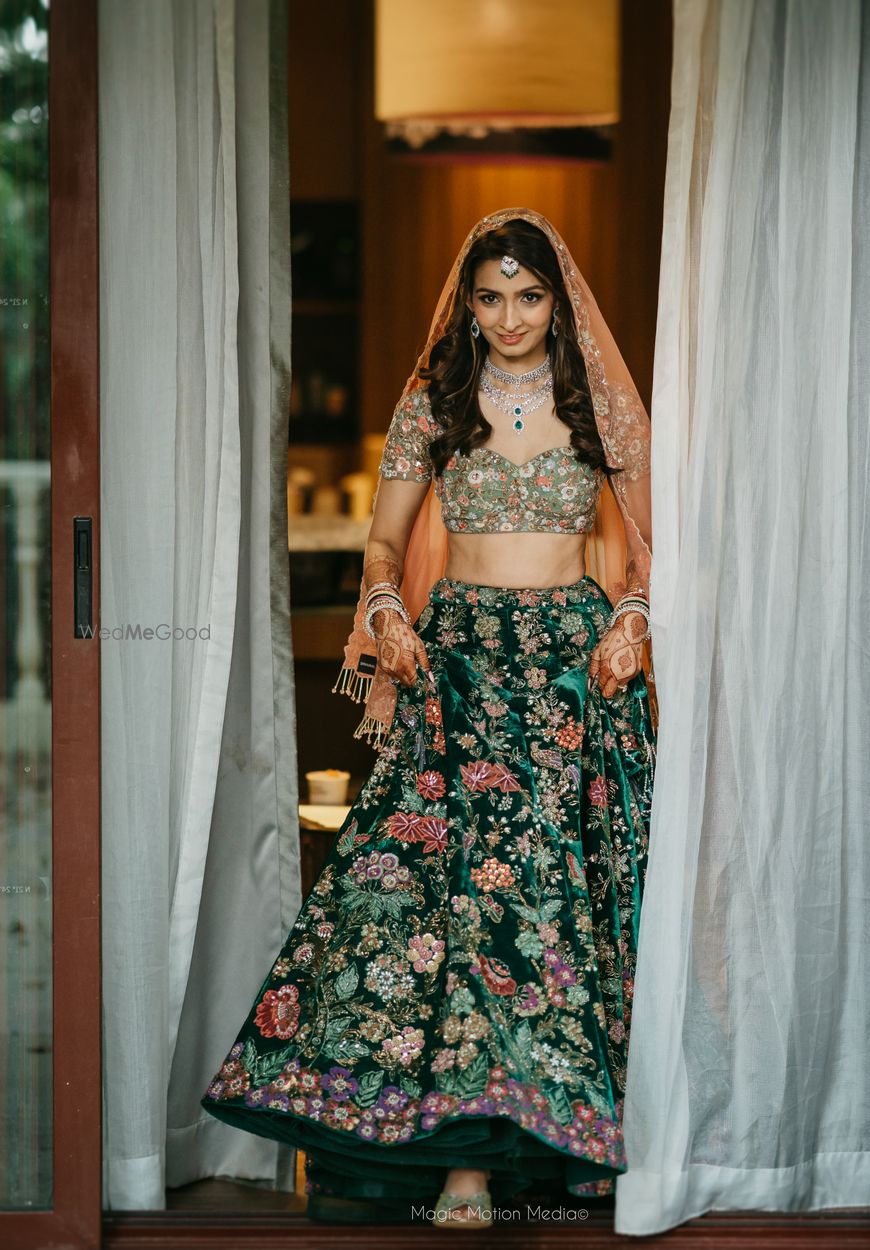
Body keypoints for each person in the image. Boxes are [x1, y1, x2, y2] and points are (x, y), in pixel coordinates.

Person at [200, 207, 657, 1229]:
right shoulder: (433, 403)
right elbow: (380, 545)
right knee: (439, 904)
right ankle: (461, 1162)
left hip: (570, 672)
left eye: (528, 296)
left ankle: (565, 1143)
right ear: (468, 301)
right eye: (490, 296)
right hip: (459, 664)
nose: (508, 316)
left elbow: (644, 553)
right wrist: (383, 608)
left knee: (549, 902)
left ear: (558, 300)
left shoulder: (598, 405)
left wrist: (629, 618)